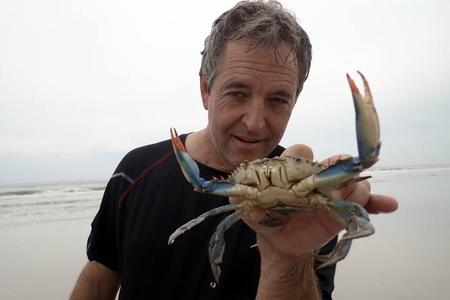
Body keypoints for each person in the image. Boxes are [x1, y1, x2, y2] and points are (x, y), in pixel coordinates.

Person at [70, 1, 398, 299]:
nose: (255, 123)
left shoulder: (312, 206)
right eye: (237, 93)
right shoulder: (134, 171)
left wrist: (287, 257)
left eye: (278, 99)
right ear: (205, 90)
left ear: (295, 102)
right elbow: (99, 281)